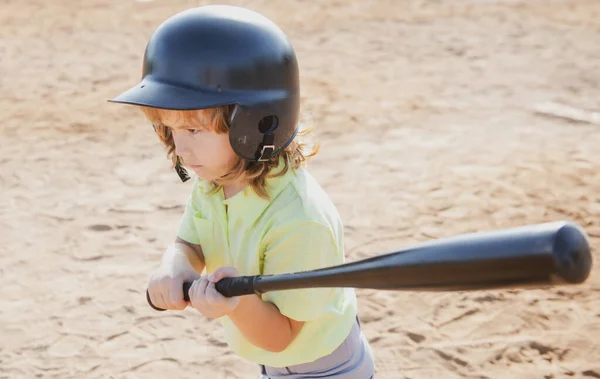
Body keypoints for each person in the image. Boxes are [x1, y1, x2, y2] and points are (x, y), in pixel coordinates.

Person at [109, 5, 375, 378]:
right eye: (171, 130)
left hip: (326, 369)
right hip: (276, 365)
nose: (180, 148)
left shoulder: (299, 221)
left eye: (195, 130)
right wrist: (176, 264)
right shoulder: (215, 182)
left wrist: (236, 306)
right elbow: (193, 242)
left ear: (257, 122)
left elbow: (281, 335)